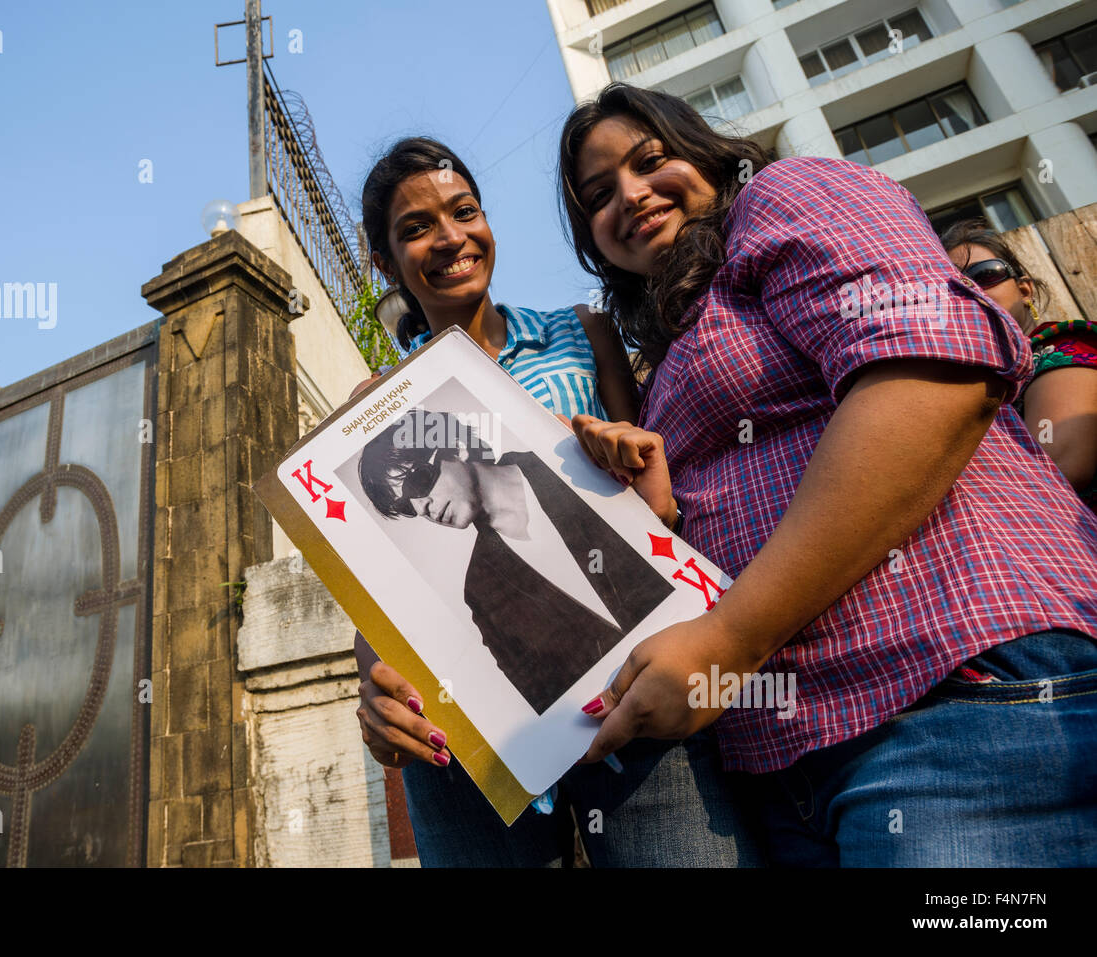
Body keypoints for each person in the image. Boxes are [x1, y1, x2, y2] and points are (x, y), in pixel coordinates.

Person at [557, 82, 1097, 866]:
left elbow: (932, 374)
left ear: (708, 156)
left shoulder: (785, 194)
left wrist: (728, 639)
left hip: (948, 693)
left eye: (651, 160)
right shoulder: (670, 347)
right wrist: (662, 513)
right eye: (599, 196)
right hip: (789, 765)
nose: (631, 196)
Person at [350, 136, 763, 866]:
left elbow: (661, 498)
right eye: (415, 229)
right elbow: (381, 594)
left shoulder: (584, 332)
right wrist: (374, 686)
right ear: (386, 263)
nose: (449, 238)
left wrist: (643, 484)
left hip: (635, 689)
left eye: (463, 211)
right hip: (477, 744)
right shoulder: (372, 409)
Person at [358, 407, 673, 715]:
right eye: (406, 505)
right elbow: (544, 706)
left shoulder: (568, 464)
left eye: (418, 481)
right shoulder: (480, 592)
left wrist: (658, 514)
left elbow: (671, 557)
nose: (420, 506)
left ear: (458, 448)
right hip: (634, 736)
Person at [942, 219, 1097, 510]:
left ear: (1024, 291)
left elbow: (1062, 467)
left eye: (984, 275)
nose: (973, 293)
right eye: (955, 289)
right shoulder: (986, 383)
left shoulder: (1063, 348)